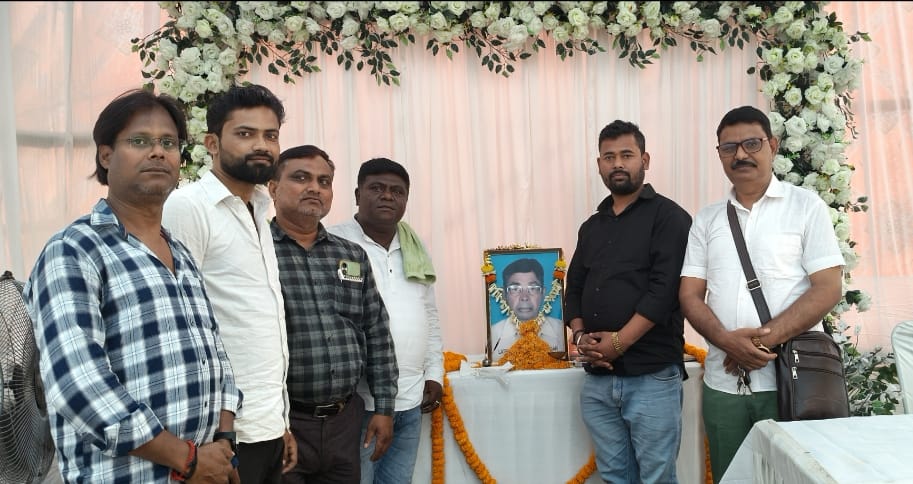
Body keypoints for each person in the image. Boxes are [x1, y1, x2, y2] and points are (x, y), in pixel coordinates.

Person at [23, 89, 241, 482]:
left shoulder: (180, 254)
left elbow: (216, 356)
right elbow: (79, 385)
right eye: (140, 141)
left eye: (169, 143)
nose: (158, 152)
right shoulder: (74, 251)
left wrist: (224, 445)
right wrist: (188, 459)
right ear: (106, 156)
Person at [679, 105, 844, 482]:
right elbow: (689, 294)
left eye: (751, 144)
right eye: (729, 147)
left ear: (773, 145)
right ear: (720, 154)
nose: (740, 154)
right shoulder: (707, 219)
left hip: (791, 382)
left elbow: (828, 287)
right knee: (730, 477)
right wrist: (727, 342)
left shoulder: (806, 207)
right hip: (723, 385)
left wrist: (757, 344)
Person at [161, 83, 295, 483]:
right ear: (212, 143)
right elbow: (177, 324)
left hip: (266, 423)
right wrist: (208, 439)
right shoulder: (188, 207)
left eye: (270, 135)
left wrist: (281, 422)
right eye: (245, 133)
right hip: (221, 434)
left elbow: (260, 322)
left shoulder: (261, 207)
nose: (262, 145)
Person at [565, 120, 692, 483]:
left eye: (626, 155)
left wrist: (618, 343)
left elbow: (664, 292)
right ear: (599, 165)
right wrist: (581, 338)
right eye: (609, 157)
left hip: (651, 374)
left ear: (645, 160)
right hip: (598, 378)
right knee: (614, 476)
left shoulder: (670, 218)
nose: (617, 163)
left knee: (656, 477)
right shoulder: (592, 227)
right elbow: (573, 289)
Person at [269, 145, 399, 484]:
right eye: (301, 178)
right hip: (283, 422)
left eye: (324, 181)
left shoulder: (351, 255)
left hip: (345, 421)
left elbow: (376, 331)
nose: (314, 188)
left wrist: (384, 407)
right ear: (273, 188)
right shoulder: (258, 252)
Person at [327, 157, 444, 484]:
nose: (388, 196)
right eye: (377, 188)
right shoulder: (334, 243)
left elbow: (429, 314)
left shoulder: (414, 247)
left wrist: (434, 373)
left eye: (397, 191)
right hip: (359, 402)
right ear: (357, 194)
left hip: (411, 398)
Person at [490, 258, 566, 358]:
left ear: (543, 293)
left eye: (533, 288)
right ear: (504, 295)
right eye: (515, 289)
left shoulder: (561, 330)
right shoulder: (493, 334)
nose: (524, 297)